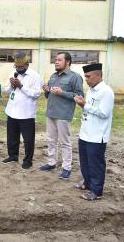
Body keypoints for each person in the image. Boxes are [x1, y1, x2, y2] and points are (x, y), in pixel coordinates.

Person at [40, 52, 84, 180]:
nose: (56, 62)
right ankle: (52, 162)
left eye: (59, 60)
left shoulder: (75, 77)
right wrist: (46, 91)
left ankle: (66, 168)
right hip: (51, 112)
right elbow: (48, 96)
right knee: (51, 140)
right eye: (55, 60)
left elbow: (79, 96)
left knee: (64, 142)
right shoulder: (53, 76)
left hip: (63, 114)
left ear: (68, 62)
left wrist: (62, 92)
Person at [74, 63, 114, 201]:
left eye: (88, 76)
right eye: (85, 76)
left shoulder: (106, 92)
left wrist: (85, 105)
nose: (86, 79)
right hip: (85, 132)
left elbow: (104, 113)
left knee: (95, 164)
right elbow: (89, 108)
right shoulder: (91, 90)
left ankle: (96, 191)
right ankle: (87, 183)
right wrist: (83, 105)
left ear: (98, 75)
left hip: (97, 135)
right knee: (84, 162)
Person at [2, 53, 42, 169]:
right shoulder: (13, 73)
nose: (18, 69)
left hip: (26, 114)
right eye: (16, 67)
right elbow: (7, 90)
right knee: (12, 137)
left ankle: (28, 160)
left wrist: (21, 86)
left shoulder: (35, 76)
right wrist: (11, 84)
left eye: (20, 67)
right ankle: (13, 156)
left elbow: (36, 94)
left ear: (26, 65)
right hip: (12, 111)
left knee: (28, 140)